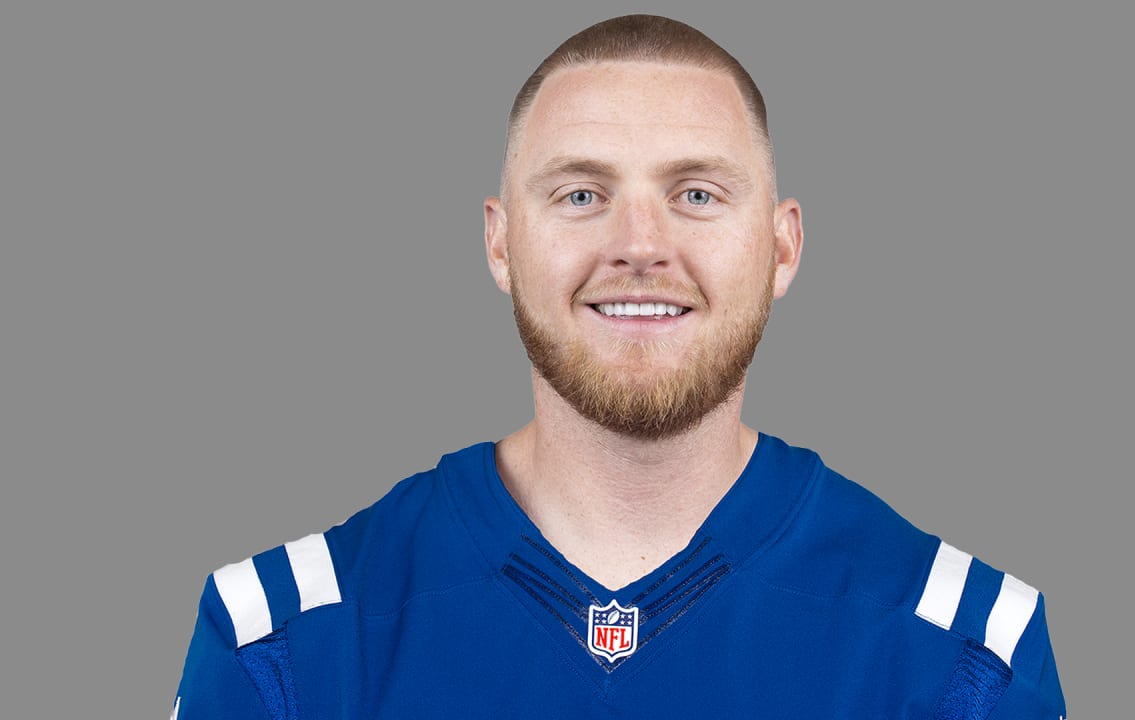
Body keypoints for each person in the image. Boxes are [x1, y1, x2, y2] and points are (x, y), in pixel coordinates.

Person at [172, 14, 1066, 719]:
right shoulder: (283, 642)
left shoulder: (964, 652)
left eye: (696, 193)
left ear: (783, 247)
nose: (640, 244)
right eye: (581, 194)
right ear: (500, 243)